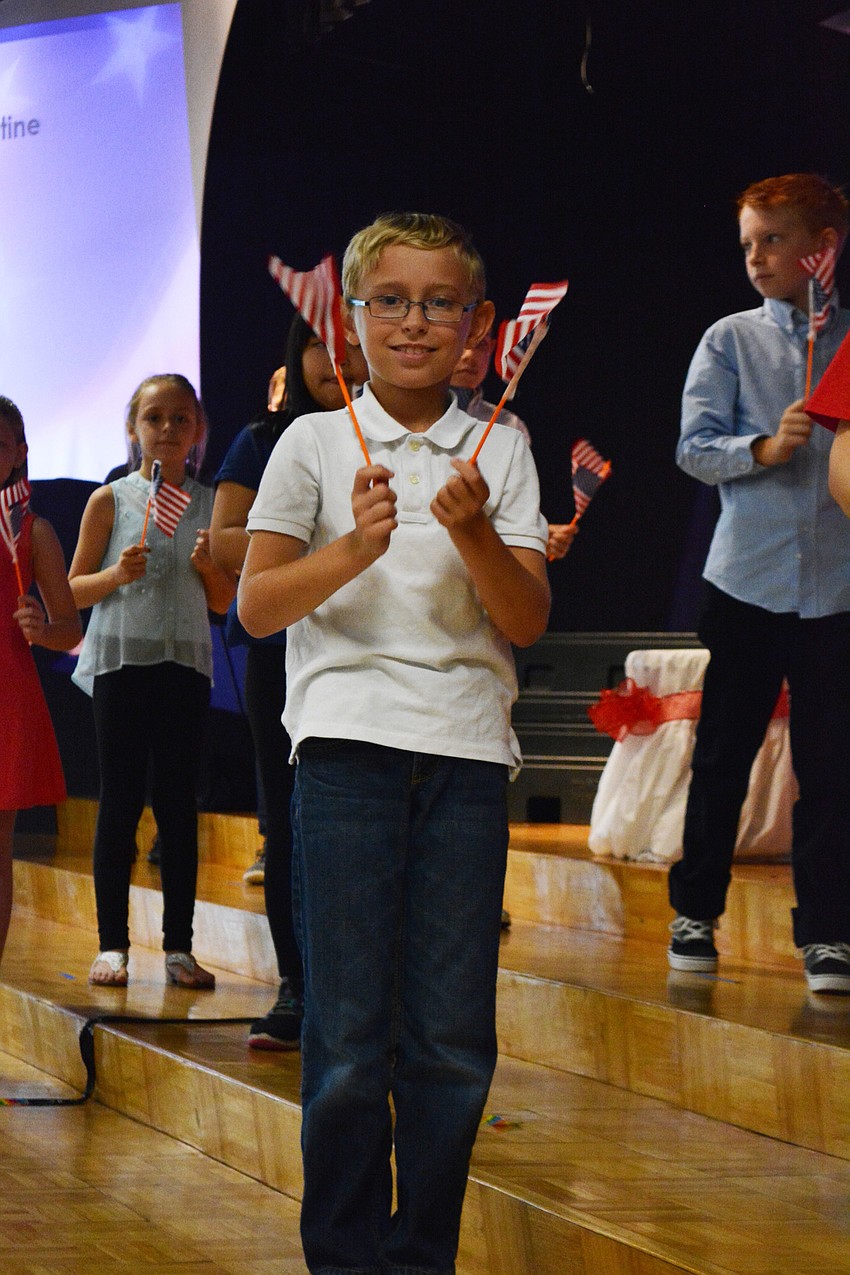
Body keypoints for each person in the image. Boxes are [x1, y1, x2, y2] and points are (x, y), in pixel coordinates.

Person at [238, 211, 550, 1275]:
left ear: (477, 326)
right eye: (391, 302)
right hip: (344, 757)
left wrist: (467, 529)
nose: (414, 323)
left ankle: (421, 1257)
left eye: (439, 304)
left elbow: (523, 619)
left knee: (451, 1039)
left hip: (462, 759)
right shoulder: (312, 443)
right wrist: (353, 548)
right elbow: (257, 608)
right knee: (345, 1036)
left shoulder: (500, 447)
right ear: (353, 320)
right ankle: (343, 1253)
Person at [667, 173, 850, 993]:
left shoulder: (847, 339)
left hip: (840, 589)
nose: (754, 257)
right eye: (747, 242)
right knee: (723, 756)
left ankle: (828, 931)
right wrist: (764, 449)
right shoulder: (729, 340)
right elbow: (692, 448)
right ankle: (696, 910)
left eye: (772, 240)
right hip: (745, 582)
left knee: (833, 766)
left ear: (823, 247)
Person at [210, 315, 367, 1048]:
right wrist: (315, 542)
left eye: (350, 340)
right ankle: (296, 988)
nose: (336, 357)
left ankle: (364, 998)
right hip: (281, 645)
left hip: (370, 644)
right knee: (288, 821)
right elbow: (222, 539)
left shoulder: (387, 435)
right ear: (294, 354)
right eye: (317, 343)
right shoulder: (265, 439)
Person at [69, 374, 235, 988]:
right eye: (155, 418)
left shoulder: (213, 502)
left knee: (177, 807)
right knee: (119, 802)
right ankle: (112, 944)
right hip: (121, 665)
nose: (167, 430)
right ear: (134, 429)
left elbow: (223, 601)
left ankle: (179, 948)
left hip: (184, 667)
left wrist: (206, 566)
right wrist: (115, 575)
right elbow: (70, 589)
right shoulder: (110, 501)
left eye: (180, 419)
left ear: (197, 430)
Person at [0, 396, 81, 962]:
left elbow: (70, 628)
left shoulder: (34, 531)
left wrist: (40, 628)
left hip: (8, 696)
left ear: (20, 454)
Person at [451, 326, 578, 562]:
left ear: (491, 348)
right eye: (462, 343)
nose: (469, 356)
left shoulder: (509, 426)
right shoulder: (411, 415)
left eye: (479, 345)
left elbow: (516, 516)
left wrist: (537, 537)